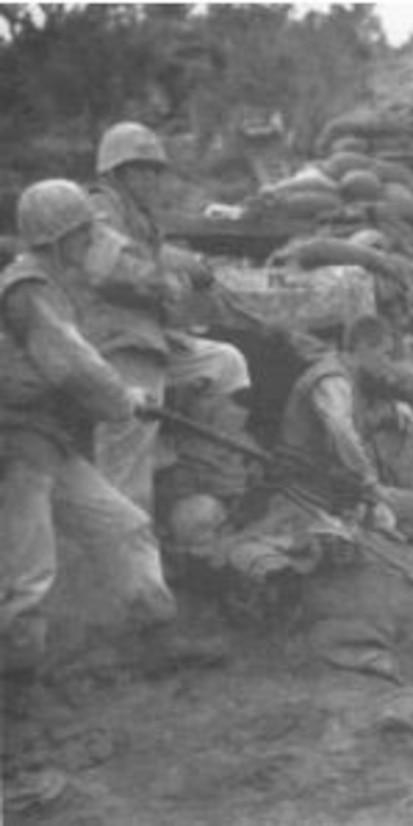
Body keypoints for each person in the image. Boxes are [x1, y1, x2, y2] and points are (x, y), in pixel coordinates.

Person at [0, 180, 198, 682]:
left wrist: (119, 399)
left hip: (47, 440)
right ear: (58, 239)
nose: (91, 242)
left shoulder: (53, 285)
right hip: (15, 441)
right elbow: (69, 364)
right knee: (28, 572)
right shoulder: (29, 289)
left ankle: (156, 635)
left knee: (125, 525)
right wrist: (121, 399)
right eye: (84, 234)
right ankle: (18, 690)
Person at [87, 121, 253, 516]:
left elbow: (150, 251)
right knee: (130, 442)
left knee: (225, 363)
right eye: (140, 169)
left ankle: (201, 471)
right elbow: (109, 269)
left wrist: (192, 265)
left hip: (147, 334)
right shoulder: (99, 208)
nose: (151, 179)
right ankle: (129, 543)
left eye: (155, 170)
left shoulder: (136, 214)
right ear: (115, 172)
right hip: (107, 341)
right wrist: (169, 283)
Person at [277, 315, 413, 554]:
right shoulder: (333, 379)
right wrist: (369, 482)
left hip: (329, 476)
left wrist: (392, 411)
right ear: (363, 347)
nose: (386, 363)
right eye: (384, 354)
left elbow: (357, 422)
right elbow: (341, 431)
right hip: (310, 483)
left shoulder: (349, 374)